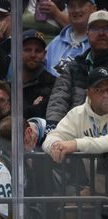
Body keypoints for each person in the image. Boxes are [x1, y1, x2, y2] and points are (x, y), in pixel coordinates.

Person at [43, 66, 108, 194]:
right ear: (88, 93)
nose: (106, 95)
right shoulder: (77, 114)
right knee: (73, 208)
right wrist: (56, 146)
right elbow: (51, 138)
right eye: (99, 90)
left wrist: (75, 144)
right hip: (97, 190)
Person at [46, 10, 108, 128]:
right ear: (87, 33)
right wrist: (53, 129)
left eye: (106, 28)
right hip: (74, 131)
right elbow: (59, 99)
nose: (101, 33)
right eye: (95, 28)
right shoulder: (73, 66)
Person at [46, 0, 95, 76]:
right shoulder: (55, 43)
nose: (76, 10)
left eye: (81, 5)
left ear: (93, 8)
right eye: (71, 6)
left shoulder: (100, 43)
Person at [23, 30, 57, 119]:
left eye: (38, 51)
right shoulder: (9, 81)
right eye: (27, 50)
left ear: (44, 54)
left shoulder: (52, 83)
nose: (33, 55)